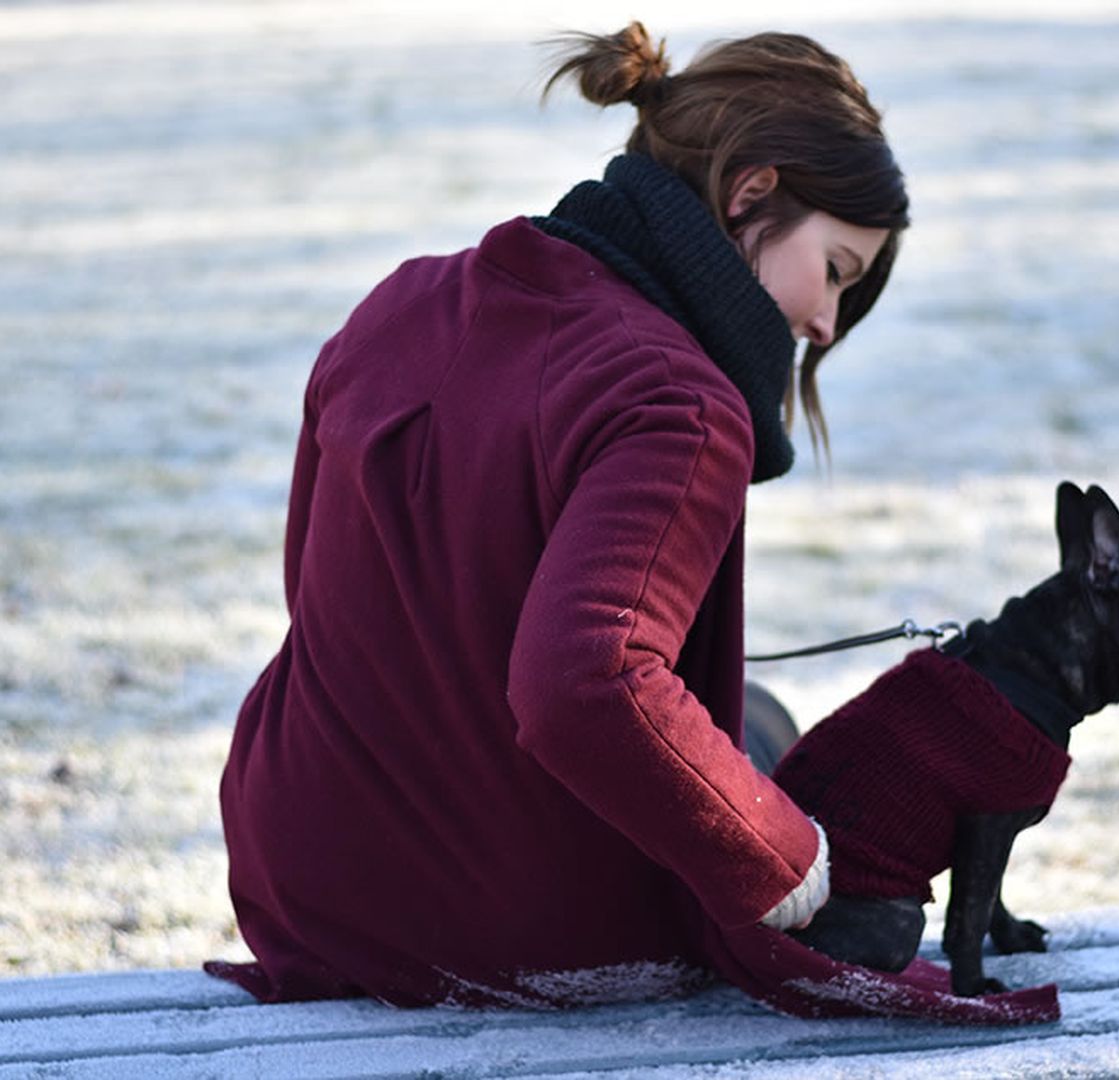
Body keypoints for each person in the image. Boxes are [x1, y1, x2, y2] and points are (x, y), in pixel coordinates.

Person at [205, 22, 911, 1011]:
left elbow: (335, 599)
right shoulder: (680, 403)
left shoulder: (404, 302)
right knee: (764, 766)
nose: (826, 326)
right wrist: (791, 864)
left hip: (301, 875)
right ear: (751, 194)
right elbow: (588, 682)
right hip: (513, 923)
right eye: (835, 270)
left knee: (749, 718)